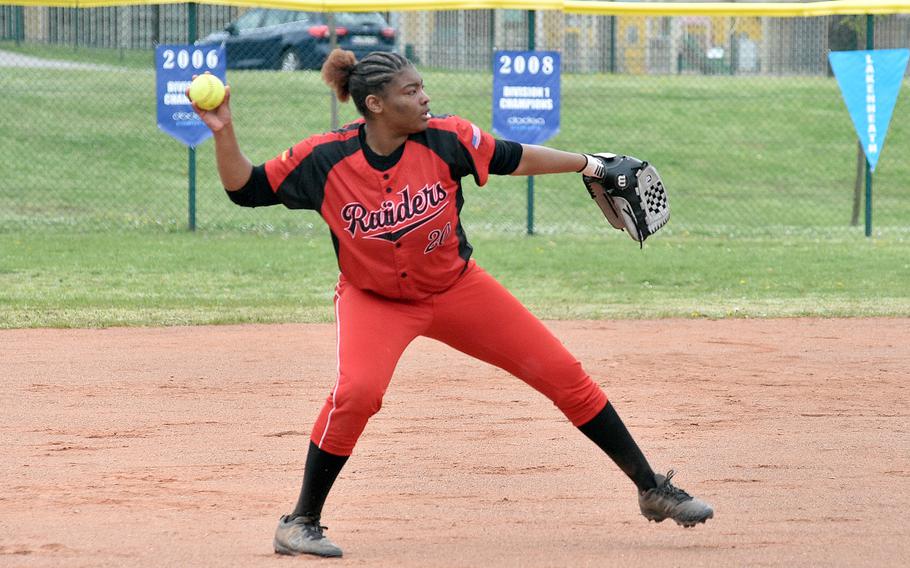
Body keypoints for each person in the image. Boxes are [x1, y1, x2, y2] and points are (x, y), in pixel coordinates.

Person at [190, 49, 713, 558]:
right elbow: (247, 188)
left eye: (422, 88)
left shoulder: (447, 138)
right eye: (411, 91)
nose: (425, 98)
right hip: (375, 301)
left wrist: (588, 163)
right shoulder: (324, 158)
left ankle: (652, 489)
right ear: (374, 104)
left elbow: (512, 156)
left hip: (456, 288)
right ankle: (300, 522)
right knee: (357, 393)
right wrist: (224, 131)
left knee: (562, 373)